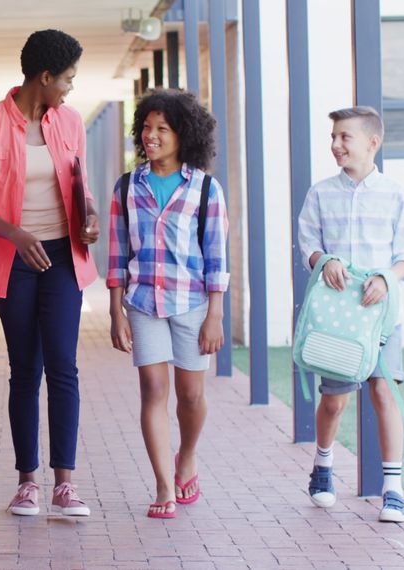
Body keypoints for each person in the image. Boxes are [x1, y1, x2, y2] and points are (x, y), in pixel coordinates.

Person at [0, 29, 100, 517]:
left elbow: (80, 184)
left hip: (63, 256)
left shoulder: (71, 121)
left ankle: (65, 483)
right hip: (14, 259)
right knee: (25, 368)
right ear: (44, 77)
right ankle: (27, 482)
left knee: (63, 364)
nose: (70, 88)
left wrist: (89, 215)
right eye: (67, 79)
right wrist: (17, 235)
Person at [107, 88, 229, 519]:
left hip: (192, 303)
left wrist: (215, 315)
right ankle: (163, 486)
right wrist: (115, 311)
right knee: (153, 391)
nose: (152, 135)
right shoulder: (127, 187)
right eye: (147, 127)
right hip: (142, 303)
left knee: (191, 395)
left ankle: (187, 456)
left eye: (163, 128)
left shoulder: (205, 189)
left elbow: (216, 257)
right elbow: (117, 254)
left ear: (184, 135)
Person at [297, 106, 404, 523]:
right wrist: (324, 260)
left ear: (372, 142)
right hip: (336, 319)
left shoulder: (396, 195)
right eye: (333, 136)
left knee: (384, 393)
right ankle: (323, 465)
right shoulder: (320, 193)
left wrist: (385, 278)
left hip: (381, 316)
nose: (335, 144)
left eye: (344, 137)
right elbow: (308, 242)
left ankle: (393, 490)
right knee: (335, 401)